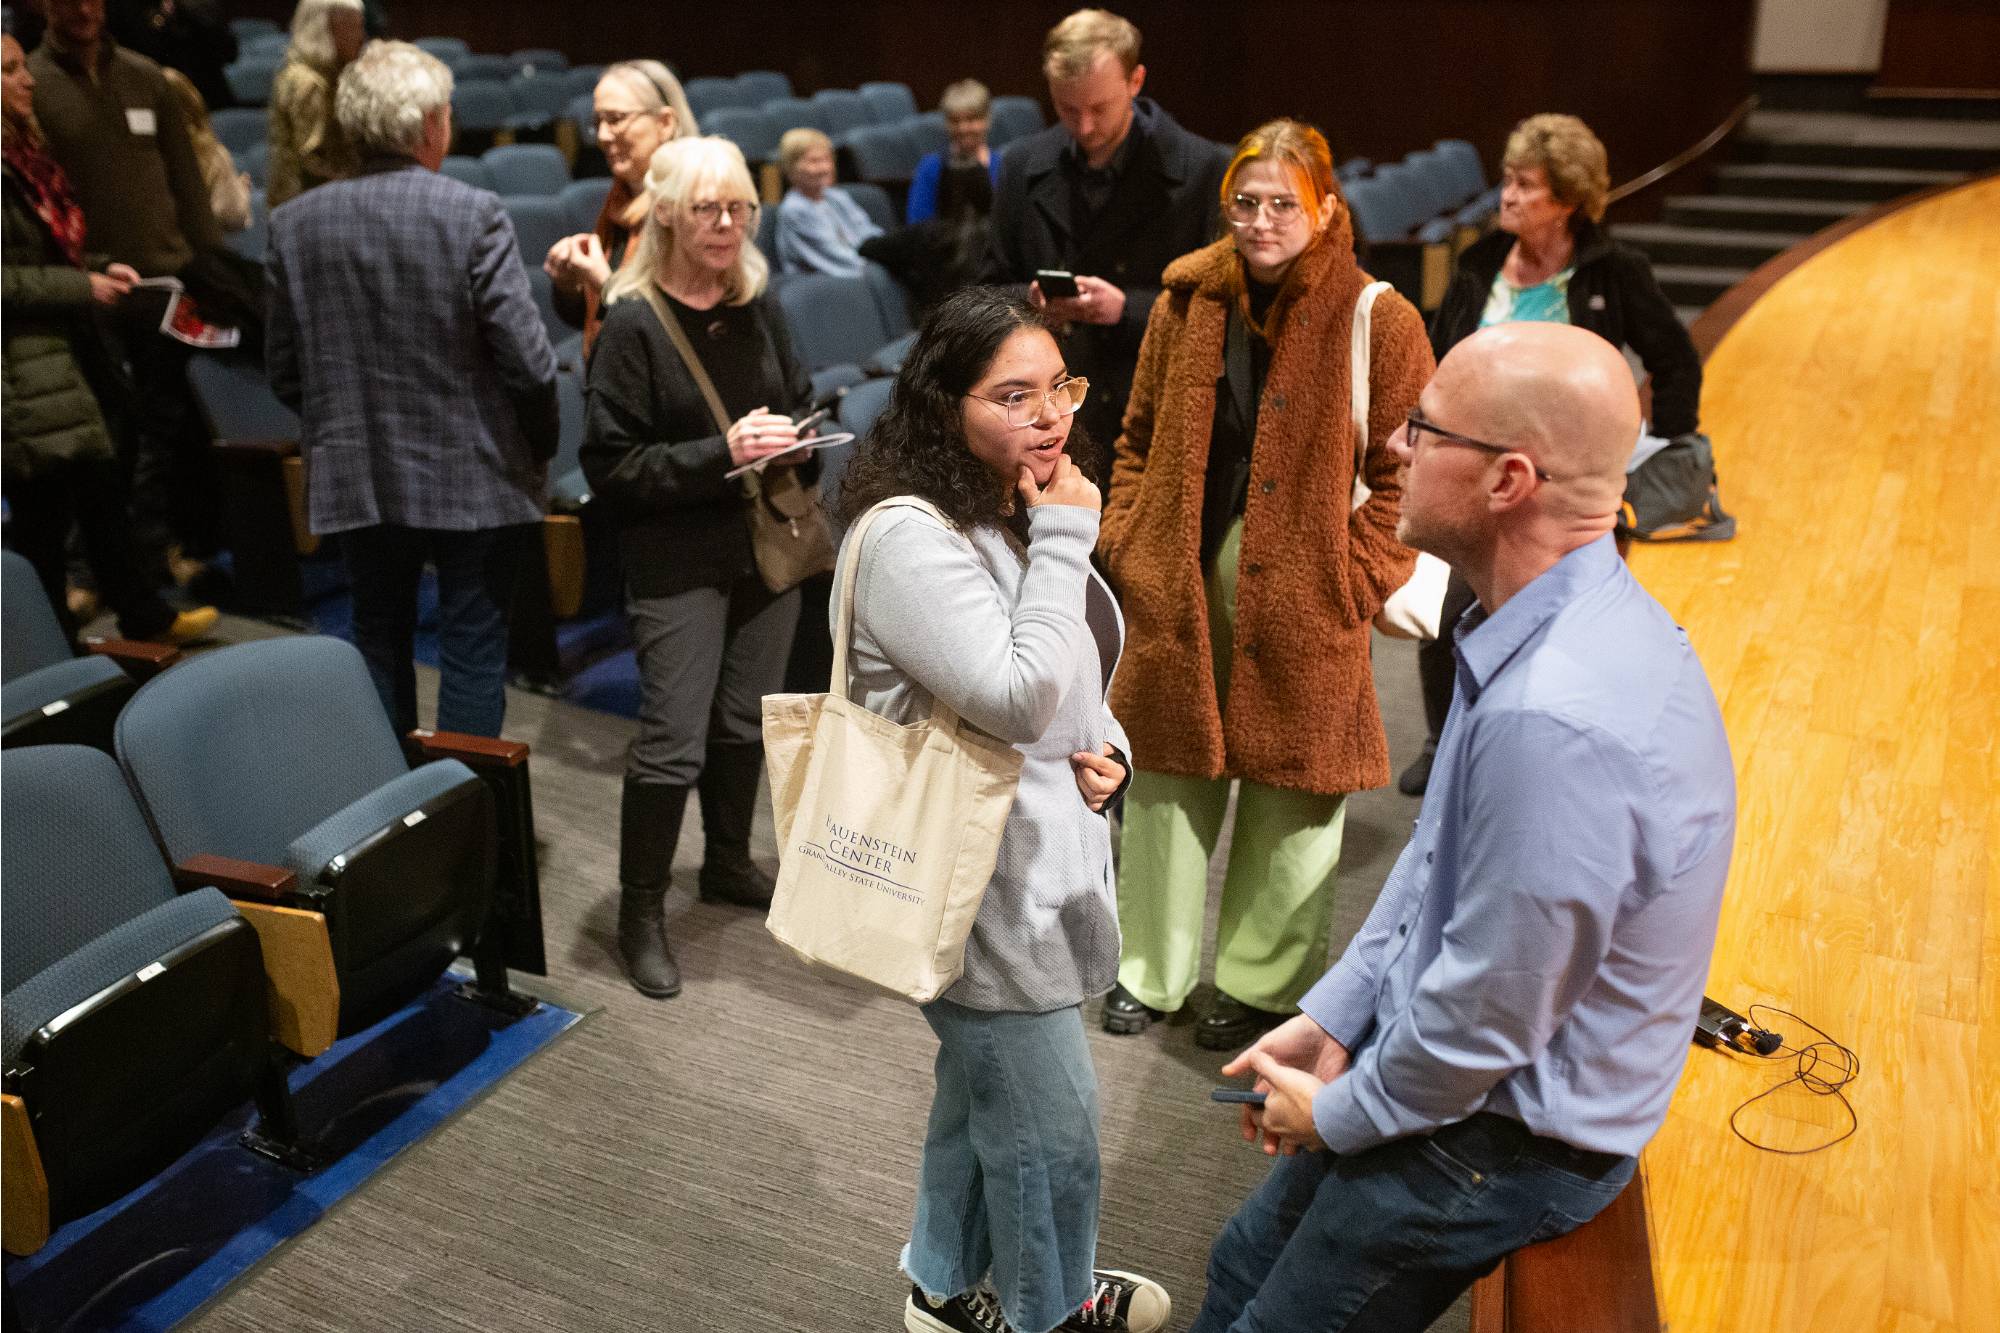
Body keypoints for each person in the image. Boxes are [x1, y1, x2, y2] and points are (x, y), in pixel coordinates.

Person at [1188, 321, 1736, 1333]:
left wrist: (1340, 1114)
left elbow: (1489, 1009)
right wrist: (1339, 1012)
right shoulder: (1532, 621)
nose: (1395, 445)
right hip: (1462, 1077)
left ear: (1505, 481)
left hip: (1507, 1140)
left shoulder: (1553, 718)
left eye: (1424, 428)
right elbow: (1436, 861)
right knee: (1235, 1268)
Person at [831, 286, 1167, 1333]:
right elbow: (1014, 693)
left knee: (985, 1094)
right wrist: (1069, 533)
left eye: (1055, 388)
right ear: (944, 407)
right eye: (1010, 396)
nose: (1046, 417)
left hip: (1033, 856)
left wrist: (1108, 741)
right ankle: (1050, 1310)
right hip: (972, 882)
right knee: (1049, 1132)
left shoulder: (1006, 498)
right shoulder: (909, 537)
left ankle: (940, 1285)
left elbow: (1064, 673)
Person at [1095, 119, 1433, 1052]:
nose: (1261, 220)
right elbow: (1134, 438)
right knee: (1163, 789)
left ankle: (1258, 983)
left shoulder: (1381, 317)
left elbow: (1413, 473)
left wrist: (1353, 580)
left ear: (1326, 207)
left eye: (1284, 202)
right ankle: (1147, 972)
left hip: (1309, 603)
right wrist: (1128, 539)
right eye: (1246, 202)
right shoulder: (1183, 302)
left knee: (1294, 803)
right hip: (1177, 587)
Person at [1400, 112, 1705, 796]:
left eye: (1525, 185)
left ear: (1567, 200)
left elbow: (1675, 360)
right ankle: (1444, 739)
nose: (1506, 195)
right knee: (1450, 615)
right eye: (1506, 181)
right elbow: (1442, 360)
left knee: (1561, 626)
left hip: (1562, 494)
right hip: (1477, 478)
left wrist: (1649, 448)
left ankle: (1543, 756)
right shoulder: (1479, 264)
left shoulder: (1614, 271)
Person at [266, 39, 558, 738]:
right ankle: (468, 822)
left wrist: (346, 424)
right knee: (473, 651)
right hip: (478, 472)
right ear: (431, 124)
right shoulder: (474, 212)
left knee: (378, 636)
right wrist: (540, 445)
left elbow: (283, 370)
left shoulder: (293, 224)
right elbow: (529, 363)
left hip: (358, 472)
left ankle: (397, 823)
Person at [579, 135, 813, 1001]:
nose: (726, 224)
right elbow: (611, 467)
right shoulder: (632, 321)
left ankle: (725, 862)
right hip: (677, 557)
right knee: (673, 740)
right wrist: (723, 451)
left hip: (762, 545)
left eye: (741, 208)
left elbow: (800, 393)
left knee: (745, 720)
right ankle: (641, 912)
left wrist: (796, 437)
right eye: (709, 208)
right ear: (668, 212)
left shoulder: (759, 302)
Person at [2, 31, 215, 645]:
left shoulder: (25, 157)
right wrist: (82, 287)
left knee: (101, 491)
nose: (28, 80)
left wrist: (97, 266)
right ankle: (49, 648)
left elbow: (47, 252)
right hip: (20, 371)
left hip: (61, 358)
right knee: (44, 517)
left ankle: (144, 615)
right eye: (11, 71)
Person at [30, 0, 250, 587]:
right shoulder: (33, 84)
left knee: (164, 433)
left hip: (167, 283)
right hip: (92, 288)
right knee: (105, 435)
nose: (82, 9)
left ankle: (157, 553)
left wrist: (210, 269)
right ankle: (90, 571)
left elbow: (186, 183)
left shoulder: (146, 76)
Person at [983, 7, 1229, 458]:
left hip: (1155, 408)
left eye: (1100, 108)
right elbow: (987, 290)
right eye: (1067, 109)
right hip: (1052, 414)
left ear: (1135, 82)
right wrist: (1032, 301)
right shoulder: (1021, 165)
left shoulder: (1203, 168)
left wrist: (1126, 309)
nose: (1085, 127)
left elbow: (1220, 310)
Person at [543, 58, 697, 356]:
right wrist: (570, 287)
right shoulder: (620, 202)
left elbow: (689, 335)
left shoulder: (694, 209)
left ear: (665, 123)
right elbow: (599, 317)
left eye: (615, 119)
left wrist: (606, 285)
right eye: (597, 122)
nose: (601, 136)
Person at [265, 0, 364, 207]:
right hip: (303, 204)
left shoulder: (320, 74)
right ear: (324, 30)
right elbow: (311, 160)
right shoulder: (308, 83)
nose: (360, 37)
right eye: (352, 27)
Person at [773, 126, 880, 277]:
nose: (825, 168)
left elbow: (867, 232)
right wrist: (881, 266)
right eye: (814, 161)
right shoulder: (795, 210)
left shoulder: (836, 196)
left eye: (827, 159)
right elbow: (836, 259)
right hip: (825, 285)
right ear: (791, 168)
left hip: (861, 272)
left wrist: (888, 253)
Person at [161, 65, 249, 231]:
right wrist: (239, 194)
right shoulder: (211, 154)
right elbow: (232, 217)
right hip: (197, 252)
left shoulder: (130, 154)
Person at [905, 78, 1000, 225]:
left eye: (971, 119)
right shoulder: (930, 167)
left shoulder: (1003, 166)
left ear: (987, 119)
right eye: (954, 121)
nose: (963, 128)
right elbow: (918, 224)